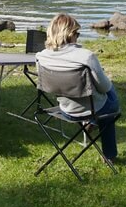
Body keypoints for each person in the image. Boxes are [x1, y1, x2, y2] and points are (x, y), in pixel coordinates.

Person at [35, 13, 121, 166]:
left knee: (105, 101)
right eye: (77, 33)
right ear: (70, 34)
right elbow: (104, 87)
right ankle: (109, 155)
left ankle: (92, 124)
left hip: (66, 109)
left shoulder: (41, 56)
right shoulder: (86, 56)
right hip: (92, 109)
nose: (78, 37)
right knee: (111, 102)